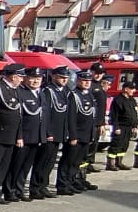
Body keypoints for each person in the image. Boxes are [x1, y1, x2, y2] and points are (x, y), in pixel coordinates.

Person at [0, 64, 25, 206]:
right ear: (13, 76)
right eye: (20, 77)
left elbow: (19, 115)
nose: (22, 79)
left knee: (3, 167)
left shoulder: (16, 90)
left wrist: (18, 136)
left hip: (11, 135)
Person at [57, 71, 100, 195]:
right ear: (78, 81)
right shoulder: (73, 95)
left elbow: (92, 117)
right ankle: (63, 185)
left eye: (89, 81)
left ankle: (72, 182)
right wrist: (73, 135)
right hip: (76, 134)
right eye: (84, 80)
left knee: (77, 162)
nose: (87, 83)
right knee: (68, 160)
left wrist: (92, 134)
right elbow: (71, 118)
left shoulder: (90, 95)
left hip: (86, 134)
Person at [7, 69, 46, 202]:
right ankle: (10, 190)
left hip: (35, 136)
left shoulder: (41, 94)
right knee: (16, 165)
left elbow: (43, 116)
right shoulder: (21, 93)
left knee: (25, 167)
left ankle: (19, 189)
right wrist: (20, 136)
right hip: (24, 136)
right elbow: (19, 118)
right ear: (26, 78)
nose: (35, 81)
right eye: (32, 78)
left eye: (38, 78)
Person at [32, 69, 69, 199]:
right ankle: (35, 187)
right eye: (61, 77)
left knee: (50, 162)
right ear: (53, 77)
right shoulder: (48, 91)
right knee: (42, 161)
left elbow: (64, 114)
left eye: (66, 77)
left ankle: (43, 186)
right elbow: (46, 113)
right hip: (50, 133)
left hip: (59, 133)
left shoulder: (64, 91)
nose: (64, 80)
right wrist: (47, 132)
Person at [106, 80, 138, 170]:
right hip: (120, 126)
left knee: (124, 145)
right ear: (125, 89)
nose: (134, 91)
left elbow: (135, 114)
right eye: (131, 89)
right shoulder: (118, 100)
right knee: (116, 144)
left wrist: (135, 126)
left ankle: (119, 162)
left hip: (129, 127)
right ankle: (110, 163)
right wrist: (116, 127)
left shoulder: (132, 100)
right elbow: (114, 115)